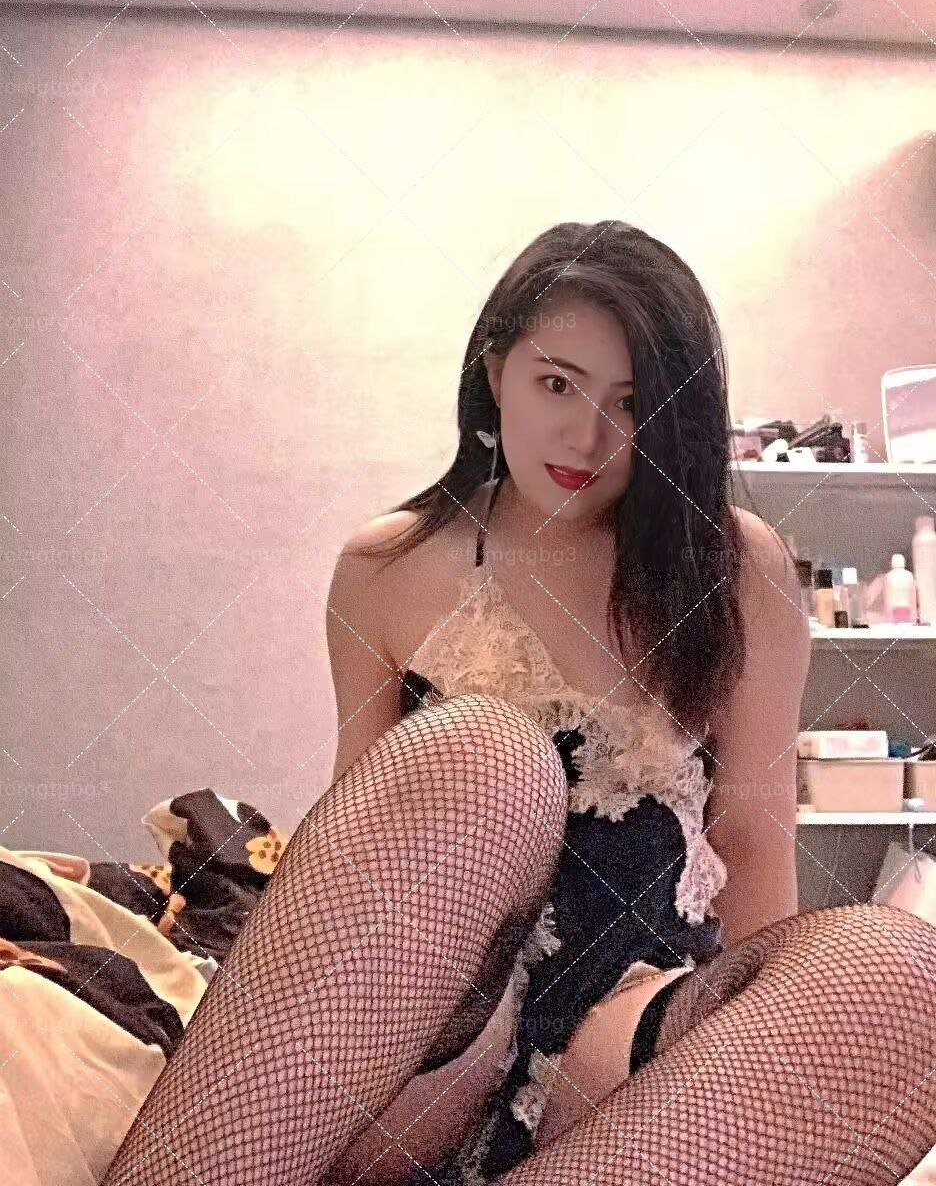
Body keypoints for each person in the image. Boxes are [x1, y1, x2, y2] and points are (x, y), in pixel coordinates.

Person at [100, 220, 936, 1186]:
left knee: (899, 976)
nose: (587, 436)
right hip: (444, 1015)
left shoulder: (730, 563)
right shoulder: (387, 565)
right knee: (484, 759)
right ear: (494, 372)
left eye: (632, 403)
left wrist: (754, 1051)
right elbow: (361, 837)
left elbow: (752, 836)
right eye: (557, 384)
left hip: (624, 1010)